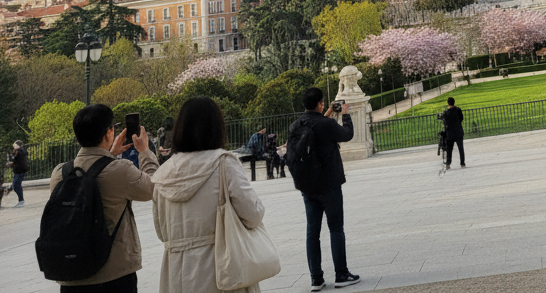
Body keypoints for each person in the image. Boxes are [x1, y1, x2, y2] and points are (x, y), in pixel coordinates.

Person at [152, 96, 267, 293]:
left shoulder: (163, 174)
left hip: (177, 275)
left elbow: (162, 232)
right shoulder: (223, 164)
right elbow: (253, 214)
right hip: (222, 271)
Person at [48, 103, 157, 293]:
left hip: (71, 275)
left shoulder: (60, 173)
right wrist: (145, 152)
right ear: (109, 133)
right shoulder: (119, 170)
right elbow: (154, 188)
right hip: (113, 275)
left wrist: (108, 154)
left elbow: (89, 170)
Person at [288, 88, 359, 291]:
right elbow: (347, 135)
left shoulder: (296, 125)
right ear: (320, 103)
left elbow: (313, 126)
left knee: (312, 232)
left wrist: (327, 112)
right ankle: (341, 274)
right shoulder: (326, 124)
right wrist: (345, 114)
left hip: (307, 186)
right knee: (336, 228)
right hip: (329, 183)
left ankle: (316, 278)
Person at [442, 97, 465, 169]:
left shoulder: (446, 113)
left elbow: (445, 122)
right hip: (458, 131)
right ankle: (462, 162)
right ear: (454, 102)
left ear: (448, 103)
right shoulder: (458, 110)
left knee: (449, 149)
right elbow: (461, 118)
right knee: (461, 148)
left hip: (450, 133)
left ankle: (448, 163)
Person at [11, 139, 28, 207]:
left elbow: (15, 159)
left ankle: (21, 201)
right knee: (16, 185)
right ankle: (21, 201)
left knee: (16, 185)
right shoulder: (21, 151)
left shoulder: (20, 152)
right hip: (19, 170)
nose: (13, 146)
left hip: (20, 170)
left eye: (15, 145)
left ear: (18, 145)